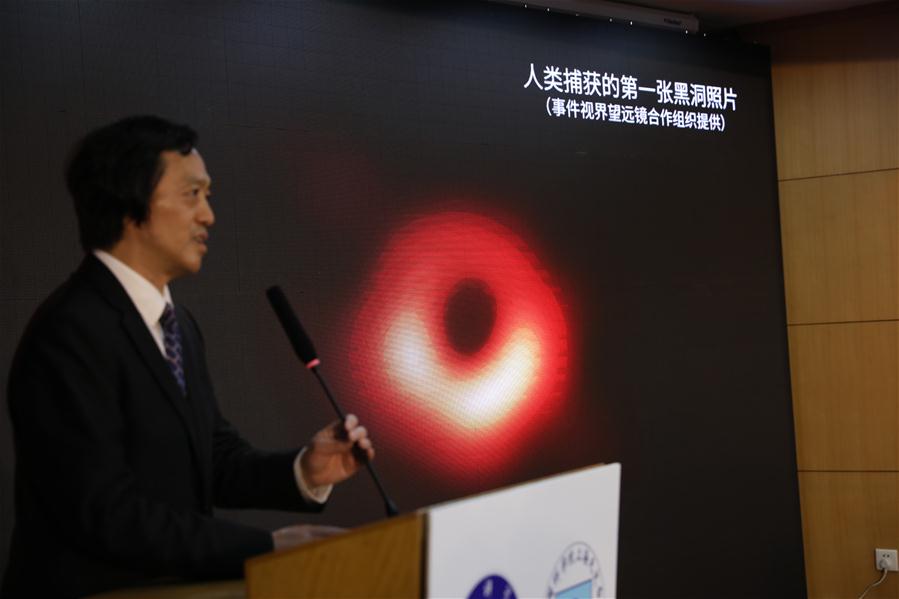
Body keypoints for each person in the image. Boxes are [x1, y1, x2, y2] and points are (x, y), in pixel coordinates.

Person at [2, 116, 375, 598]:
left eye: (208, 196)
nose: (208, 216)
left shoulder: (178, 325)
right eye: (192, 194)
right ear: (130, 206)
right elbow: (104, 512)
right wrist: (267, 548)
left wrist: (304, 471)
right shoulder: (70, 330)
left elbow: (212, 459)